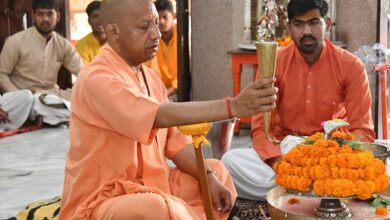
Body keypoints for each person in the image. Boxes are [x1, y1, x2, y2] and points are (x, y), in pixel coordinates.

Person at [59, 0, 278, 219]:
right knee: (156, 209)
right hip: (105, 198)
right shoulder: (96, 78)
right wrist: (234, 106)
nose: (155, 34)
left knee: (217, 171)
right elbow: (158, 116)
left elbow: (176, 144)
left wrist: (208, 178)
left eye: (155, 24)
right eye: (145, 27)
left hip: (156, 183)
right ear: (114, 32)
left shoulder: (150, 78)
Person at [221, 0, 376, 201]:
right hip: (287, 149)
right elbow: (260, 129)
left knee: (379, 168)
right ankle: (317, 191)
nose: (306, 31)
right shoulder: (273, 64)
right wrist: (280, 163)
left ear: (327, 24)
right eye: (298, 24)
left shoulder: (351, 66)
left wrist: (335, 159)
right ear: (289, 28)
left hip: (329, 151)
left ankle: (294, 190)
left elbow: (362, 131)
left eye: (313, 23)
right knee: (229, 162)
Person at [0, 0, 83, 127]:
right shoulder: (15, 41)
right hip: (24, 97)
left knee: (80, 97)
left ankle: (47, 117)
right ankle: (54, 117)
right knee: (34, 99)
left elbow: (83, 73)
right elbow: (1, 74)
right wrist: (17, 93)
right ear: (33, 16)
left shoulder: (63, 45)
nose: (45, 19)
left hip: (49, 97)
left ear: (58, 16)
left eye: (50, 14)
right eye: (40, 14)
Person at [144, 0, 178, 99]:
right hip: (158, 89)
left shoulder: (183, 38)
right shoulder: (150, 39)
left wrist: (167, 92)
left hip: (180, 89)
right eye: (158, 19)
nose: (162, 22)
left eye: (165, 17)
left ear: (173, 16)